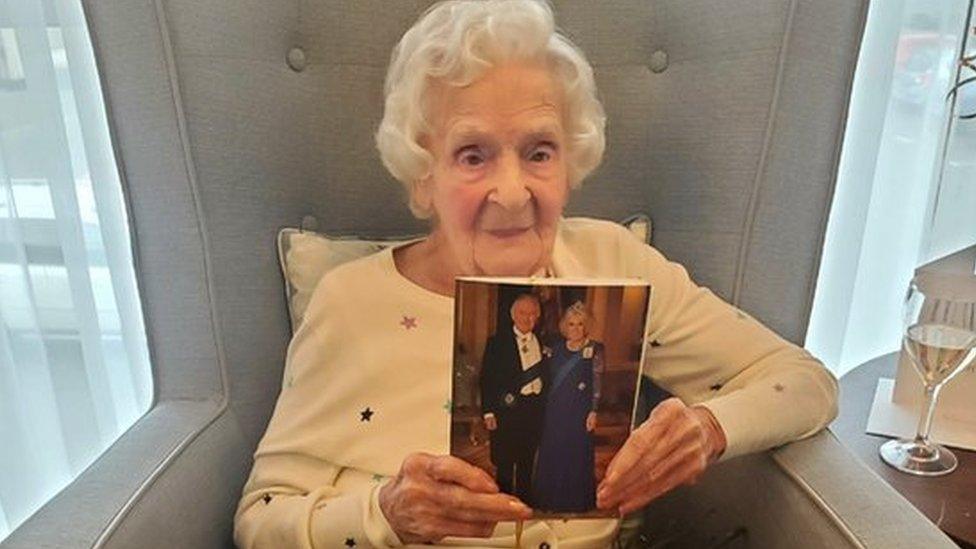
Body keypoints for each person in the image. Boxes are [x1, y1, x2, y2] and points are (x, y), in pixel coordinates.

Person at [234, 1, 839, 547]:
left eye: (539, 151)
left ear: (572, 161)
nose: (512, 191)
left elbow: (806, 382)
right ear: (423, 172)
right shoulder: (352, 301)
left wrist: (707, 430)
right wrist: (386, 514)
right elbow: (259, 519)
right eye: (473, 155)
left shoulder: (613, 263)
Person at [532, 302, 603, 513]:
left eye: (580, 324)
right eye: (571, 324)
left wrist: (594, 410)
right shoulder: (556, 348)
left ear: (586, 326)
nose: (575, 329)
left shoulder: (595, 349)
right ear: (565, 326)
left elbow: (598, 382)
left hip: (579, 411)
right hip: (555, 409)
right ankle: (548, 500)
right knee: (553, 450)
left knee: (575, 452)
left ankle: (574, 501)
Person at [479, 294, 547, 505]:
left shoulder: (544, 342)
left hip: (534, 409)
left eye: (533, 313)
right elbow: (487, 378)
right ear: (513, 315)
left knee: (527, 460)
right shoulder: (497, 343)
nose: (528, 318)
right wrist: (488, 411)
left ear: (538, 316)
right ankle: (504, 504)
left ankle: (525, 503)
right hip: (507, 410)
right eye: (523, 313)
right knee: (506, 461)